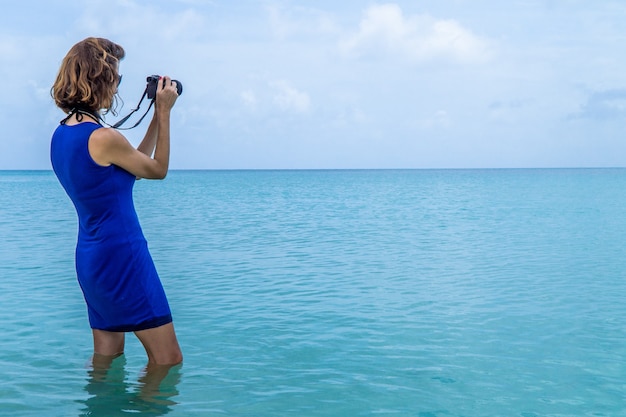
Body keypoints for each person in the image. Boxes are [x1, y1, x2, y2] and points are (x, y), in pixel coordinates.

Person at [50, 37, 182, 366]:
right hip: (124, 256)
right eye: (117, 78)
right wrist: (165, 113)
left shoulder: (62, 135)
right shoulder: (104, 137)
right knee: (167, 360)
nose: (118, 86)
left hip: (91, 257)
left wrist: (154, 115)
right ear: (101, 79)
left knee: (107, 358)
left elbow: (132, 165)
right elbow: (157, 170)